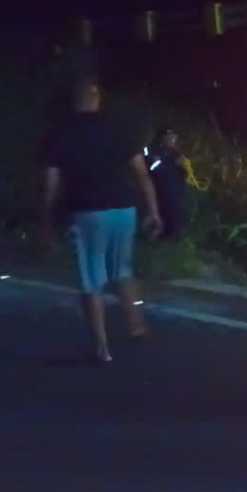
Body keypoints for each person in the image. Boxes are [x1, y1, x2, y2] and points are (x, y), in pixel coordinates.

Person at [40, 76, 163, 364]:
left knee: (91, 277)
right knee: (122, 267)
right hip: (123, 208)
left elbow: (51, 184)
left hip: (86, 211)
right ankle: (137, 327)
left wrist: (46, 219)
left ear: (75, 100)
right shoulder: (118, 128)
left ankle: (102, 347)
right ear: (97, 98)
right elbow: (142, 173)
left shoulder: (60, 132)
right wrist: (154, 211)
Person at [144, 127, 189, 240]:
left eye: (174, 136)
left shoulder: (176, 153)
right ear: (162, 137)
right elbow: (151, 168)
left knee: (174, 219)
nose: (173, 139)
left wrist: (183, 167)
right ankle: (152, 240)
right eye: (170, 136)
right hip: (158, 193)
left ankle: (173, 238)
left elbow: (184, 175)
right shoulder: (151, 150)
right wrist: (168, 162)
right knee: (157, 220)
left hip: (175, 195)